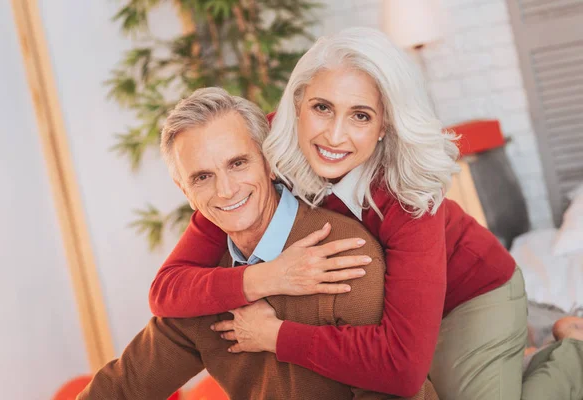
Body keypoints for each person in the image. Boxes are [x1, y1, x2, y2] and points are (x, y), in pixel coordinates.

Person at [149, 28, 583, 399]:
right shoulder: (253, 159)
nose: (334, 136)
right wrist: (268, 278)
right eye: (321, 108)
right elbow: (167, 290)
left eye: (360, 115)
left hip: (471, 291)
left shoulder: (409, 200)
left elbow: (402, 368)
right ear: (298, 103)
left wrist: (276, 336)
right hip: (392, 312)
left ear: (384, 127)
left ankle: (571, 348)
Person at [78, 88, 438, 400]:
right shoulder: (201, 289)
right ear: (185, 192)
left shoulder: (344, 257)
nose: (226, 190)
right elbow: (125, 387)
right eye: (203, 177)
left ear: (269, 163)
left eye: (237, 163)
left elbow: (393, 391)